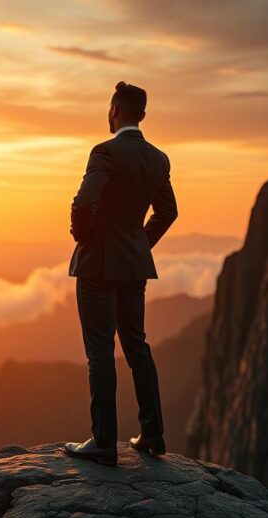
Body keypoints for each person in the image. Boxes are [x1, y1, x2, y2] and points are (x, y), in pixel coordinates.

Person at [63, 81, 178, 466]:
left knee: (100, 352)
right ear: (142, 115)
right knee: (136, 346)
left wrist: (84, 237)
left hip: (97, 266)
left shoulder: (105, 152)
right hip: (134, 266)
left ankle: (103, 441)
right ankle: (153, 433)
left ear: (114, 111)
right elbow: (168, 212)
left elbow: (83, 203)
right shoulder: (158, 159)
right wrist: (140, 244)